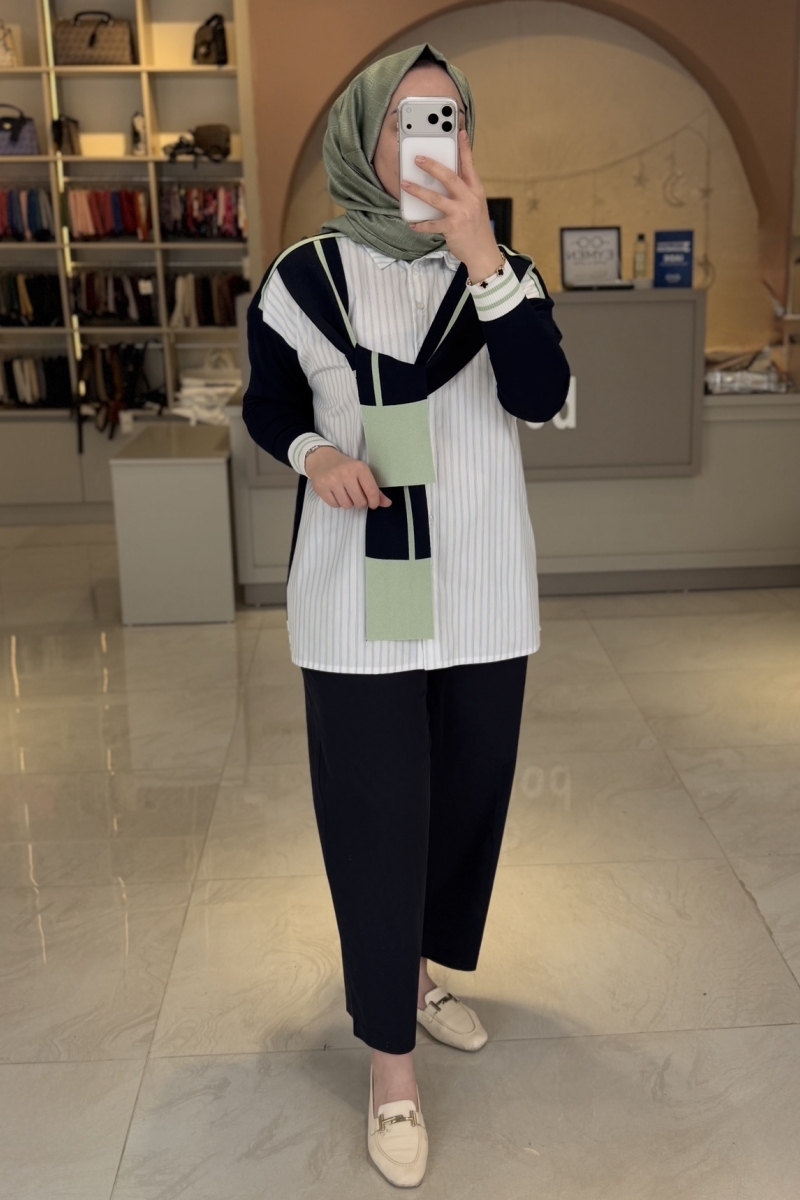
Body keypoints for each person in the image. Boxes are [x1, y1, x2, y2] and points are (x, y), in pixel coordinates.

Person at [243, 42, 570, 1188]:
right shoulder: (303, 277)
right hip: (360, 592)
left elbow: (538, 393)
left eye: (451, 119)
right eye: (411, 119)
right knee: (377, 820)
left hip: (478, 589)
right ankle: (390, 1066)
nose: (435, 139)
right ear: (364, 137)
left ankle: (420, 977)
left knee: (464, 804)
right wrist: (315, 452)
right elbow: (268, 403)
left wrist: (480, 253)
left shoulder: (506, 272)